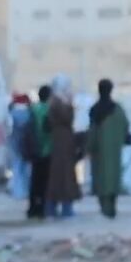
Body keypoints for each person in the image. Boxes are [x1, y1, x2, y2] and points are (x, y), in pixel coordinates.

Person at [86, 79, 130, 219]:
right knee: (113, 179)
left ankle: (104, 207)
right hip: (114, 151)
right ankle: (111, 206)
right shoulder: (118, 109)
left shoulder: (95, 110)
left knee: (101, 180)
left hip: (99, 151)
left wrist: (88, 147)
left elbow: (92, 131)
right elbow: (125, 128)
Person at [44, 76, 81, 219]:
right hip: (61, 143)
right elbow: (67, 118)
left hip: (62, 143)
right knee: (62, 177)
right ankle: (61, 208)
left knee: (61, 177)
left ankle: (57, 208)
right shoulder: (58, 103)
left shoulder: (55, 102)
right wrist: (70, 104)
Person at [27, 84, 53, 219]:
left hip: (34, 149)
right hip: (47, 149)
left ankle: (32, 208)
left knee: (34, 181)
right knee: (44, 182)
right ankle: (42, 208)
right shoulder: (49, 110)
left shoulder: (32, 109)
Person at [8, 93, 34, 200]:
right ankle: (27, 190)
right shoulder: (29, 114)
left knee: (17, 168)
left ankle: (17, 192)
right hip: (27, 144)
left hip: (15, 143)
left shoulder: (12, 114)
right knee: (27, 169)